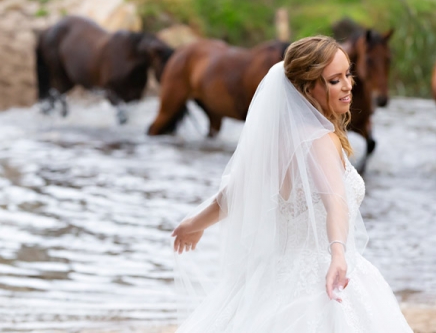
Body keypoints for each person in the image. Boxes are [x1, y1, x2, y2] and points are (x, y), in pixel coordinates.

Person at [171, 35, 412, 332]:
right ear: (308, 88)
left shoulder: (278, 139)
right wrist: (338, 253)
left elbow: (234, 195)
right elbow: (335, 200)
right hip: (321, 274)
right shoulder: (320, 139)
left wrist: (194, 223)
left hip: (271, 275)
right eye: (335, 80)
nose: (349, 85)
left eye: (348, 74)